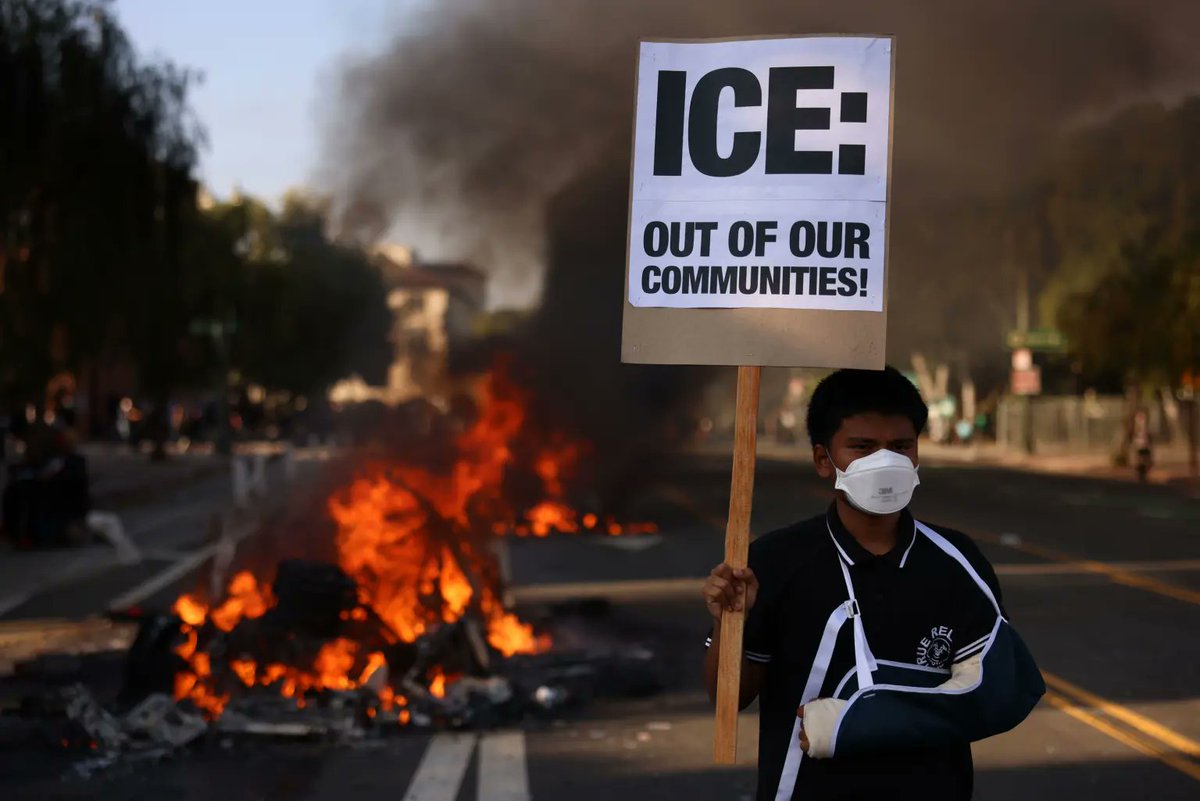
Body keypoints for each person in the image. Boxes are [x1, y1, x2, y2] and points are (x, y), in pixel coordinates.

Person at [702, 367, 1043, 801]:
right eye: (862, 448)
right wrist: (731, 620)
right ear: (824, 459)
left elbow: (999, 691)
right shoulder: (773, 560)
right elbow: (727, 700)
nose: (885, 462)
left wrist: (854, 723)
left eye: (900, 446)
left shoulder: (956, 560)